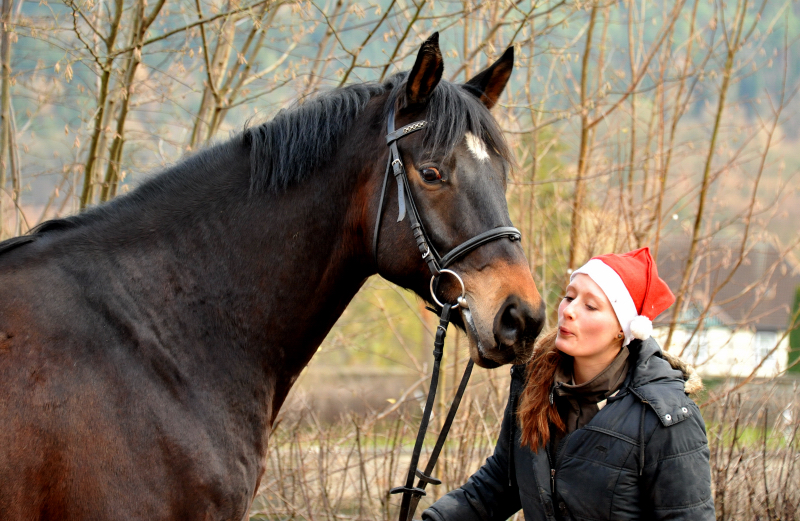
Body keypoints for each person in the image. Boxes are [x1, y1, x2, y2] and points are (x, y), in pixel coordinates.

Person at [423, 247, 715, 521]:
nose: (569, 311)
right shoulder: (534, 382)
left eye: (590, 306)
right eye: (569, 296)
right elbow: (501, 482)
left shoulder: (666, 417)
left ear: (622, 330)